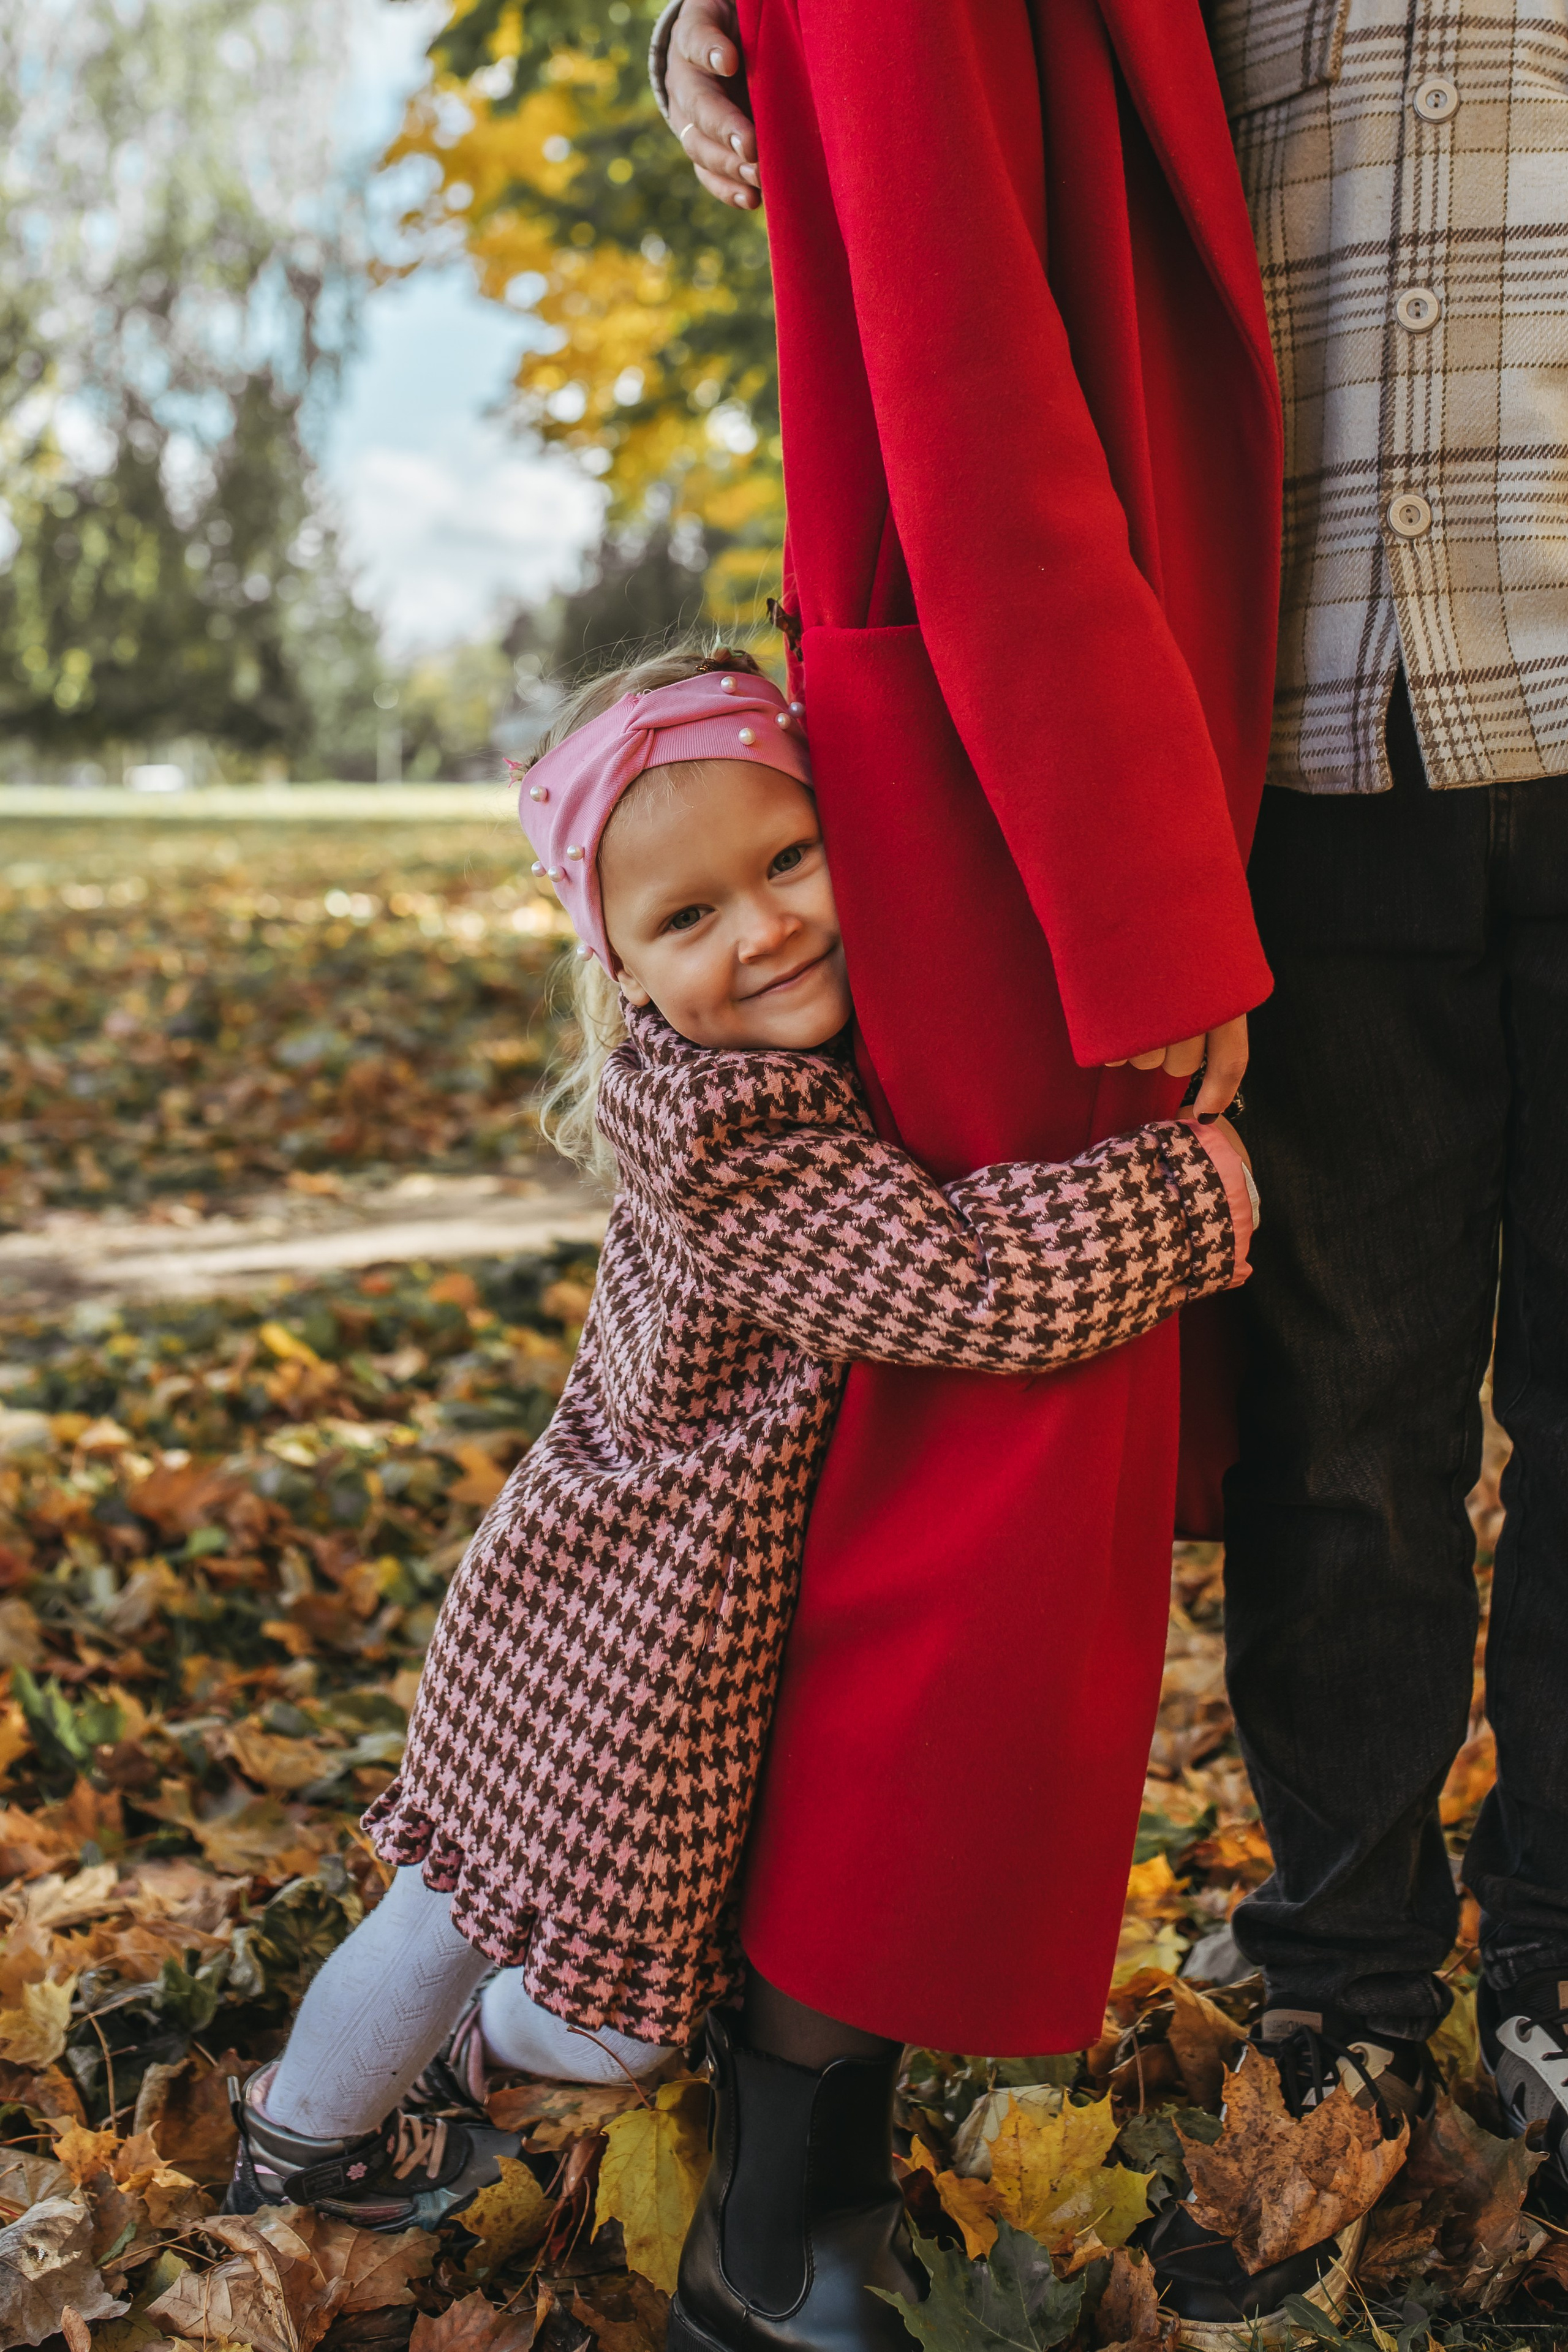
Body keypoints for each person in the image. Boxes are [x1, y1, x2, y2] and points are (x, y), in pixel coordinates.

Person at [656, 0, 1568, 2334]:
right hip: (1232, 741)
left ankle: (1553, 1969)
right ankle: (1322, 1987)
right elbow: (966, 261)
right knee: (1290, 1432)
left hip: (1426, 698)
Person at [225, 647, 1257, 2334]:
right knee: (493, 1934)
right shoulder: (724, 1128)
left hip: (645, 1601)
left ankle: (404, 2085)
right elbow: (955, 1285)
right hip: (617, 1625)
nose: (766, 931)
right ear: (619, 966)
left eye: (791, 859)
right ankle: (302, 2143)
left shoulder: (782, 1067)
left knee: (506, 1921)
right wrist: (1186, 1194)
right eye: (688, 917)